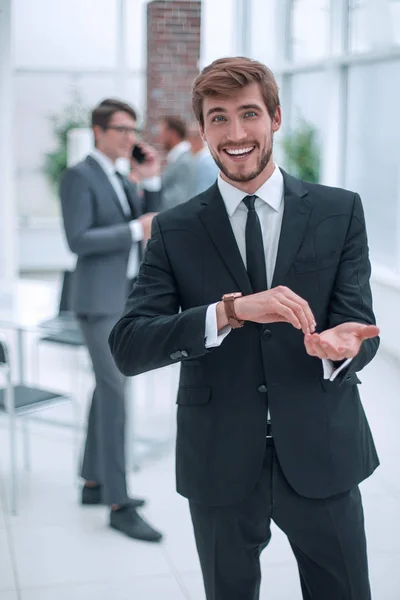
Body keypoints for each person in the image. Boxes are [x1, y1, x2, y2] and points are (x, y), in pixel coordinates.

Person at [108, 57, 380, 598]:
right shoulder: (174, 228)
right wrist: (228, 312)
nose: (236, 134)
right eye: (218, 118)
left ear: (275, 117)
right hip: (220, 462)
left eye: (249, 114)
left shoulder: (339, 211)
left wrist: (338, 349)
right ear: (203, 129)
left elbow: (356, 327)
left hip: (322, 451)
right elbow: (129, 346)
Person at [60, 98, 163, 542]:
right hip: (97, 302)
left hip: (125, 298)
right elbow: (78, 239)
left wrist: (153, 177)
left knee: (109, 390)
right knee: (116, 392)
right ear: (99, 131)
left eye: (132, 129)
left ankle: (92, 482)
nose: (129, 137)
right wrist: (131, 230)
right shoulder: (79, 175)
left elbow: (154, 222)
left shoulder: (121, 176)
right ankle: (118, 503)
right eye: (121, 129)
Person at [157, 115, 196, 210]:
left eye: (161, 132)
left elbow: (176, 200)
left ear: (172, 134)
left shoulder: (184, 161)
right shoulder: (177, 158)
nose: (159, 137)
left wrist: (149, 195)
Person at [187, 123, 219, 194]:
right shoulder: (203, 159)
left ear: (196, 139)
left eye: (189, 139)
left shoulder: (206, 161)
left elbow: (206, 188)